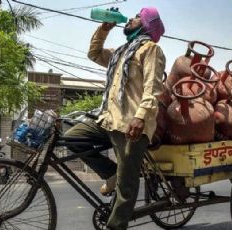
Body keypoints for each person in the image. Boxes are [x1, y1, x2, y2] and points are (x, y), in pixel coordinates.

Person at [64, 7, 165, 230]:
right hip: (109, 120)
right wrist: (104, 28)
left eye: (138, 17)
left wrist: (140, 117)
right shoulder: (121, 52)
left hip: (132, 125)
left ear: (146, 24)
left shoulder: (151, 50)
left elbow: (153, 88)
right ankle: (111, 174)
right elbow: (94, 54)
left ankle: (116, 226)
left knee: (127, 184)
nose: (130, 18)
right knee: (72, 138)